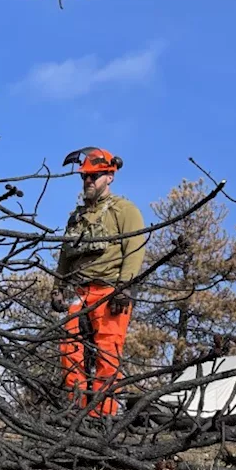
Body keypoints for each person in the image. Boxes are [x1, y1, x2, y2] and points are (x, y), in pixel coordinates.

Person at [50, 147, 147, 417]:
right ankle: (75, 412)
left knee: (107, 354)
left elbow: (135, 251)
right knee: (70, 351)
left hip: (110, 292)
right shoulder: (77, 218)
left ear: (110, 176)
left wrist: (124, 288)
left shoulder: (124, 210)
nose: (88, 181)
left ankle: (101, 416)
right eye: (85, 177)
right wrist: (58, 288)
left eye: (95, 176)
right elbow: (65, 256)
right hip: (79, 292)